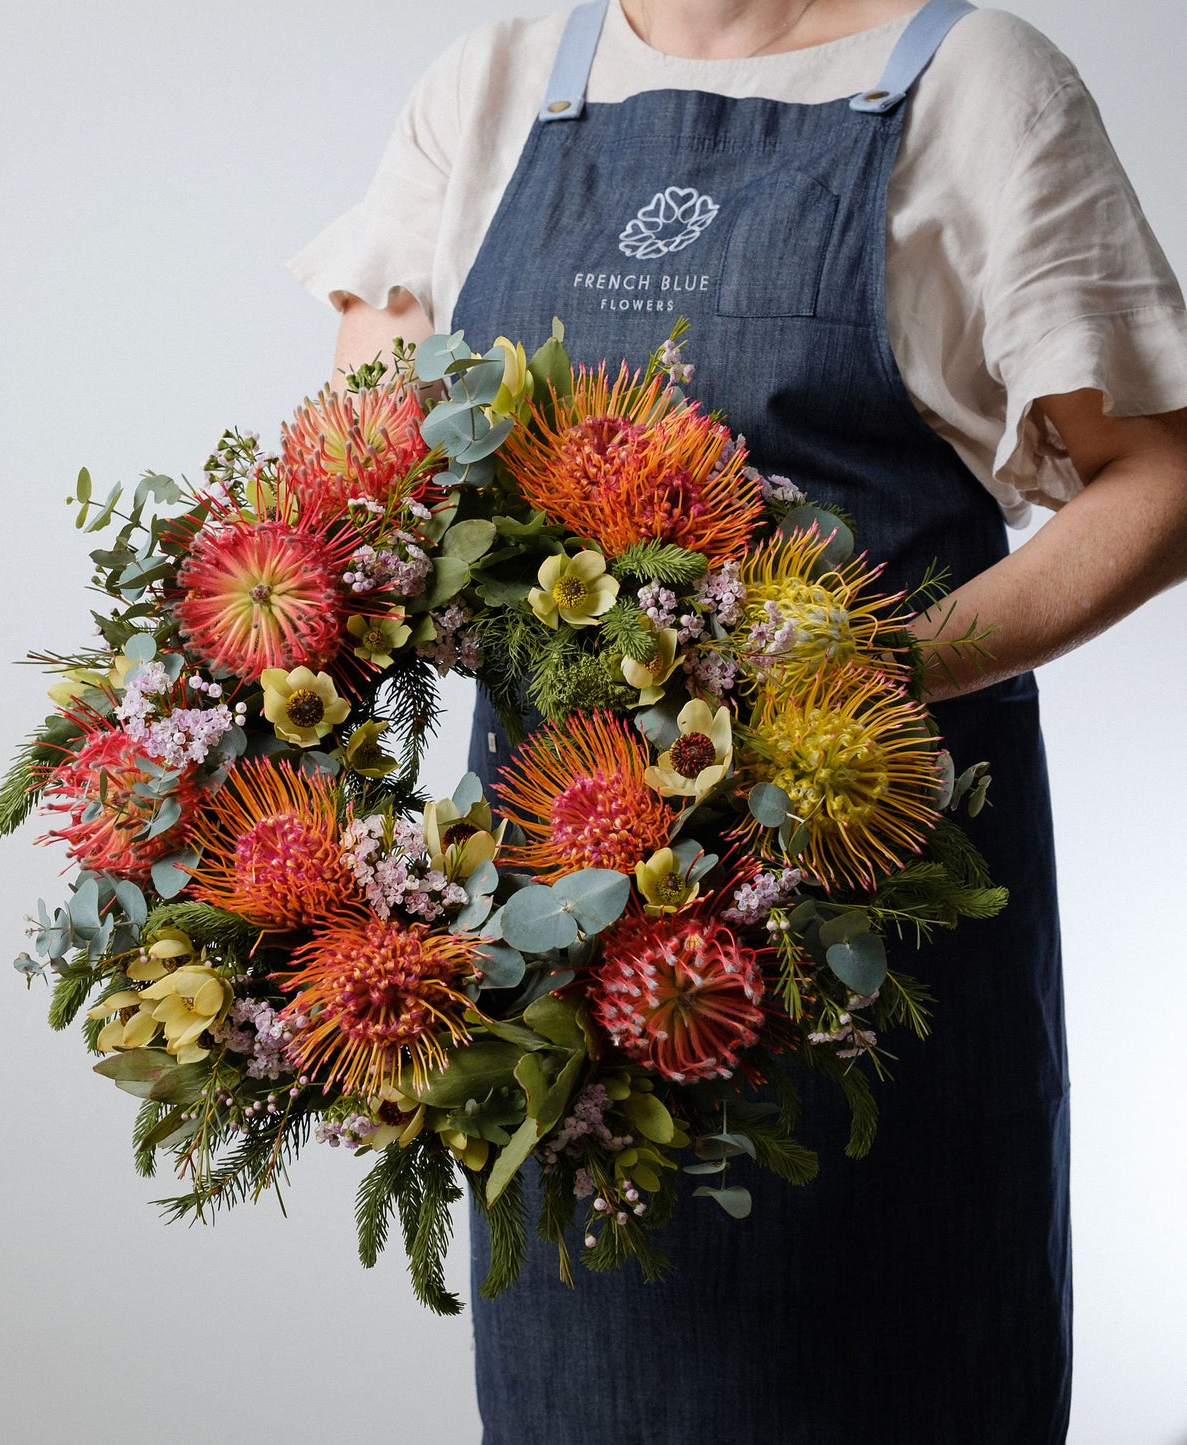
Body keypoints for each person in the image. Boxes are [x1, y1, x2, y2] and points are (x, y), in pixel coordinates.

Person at [288, 2, 1187, 1440]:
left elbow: (1158, 475)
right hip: (559, 943)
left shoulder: (973, 84)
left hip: (868, 906)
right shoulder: (499, 86)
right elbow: (358, 480)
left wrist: (868, 671)